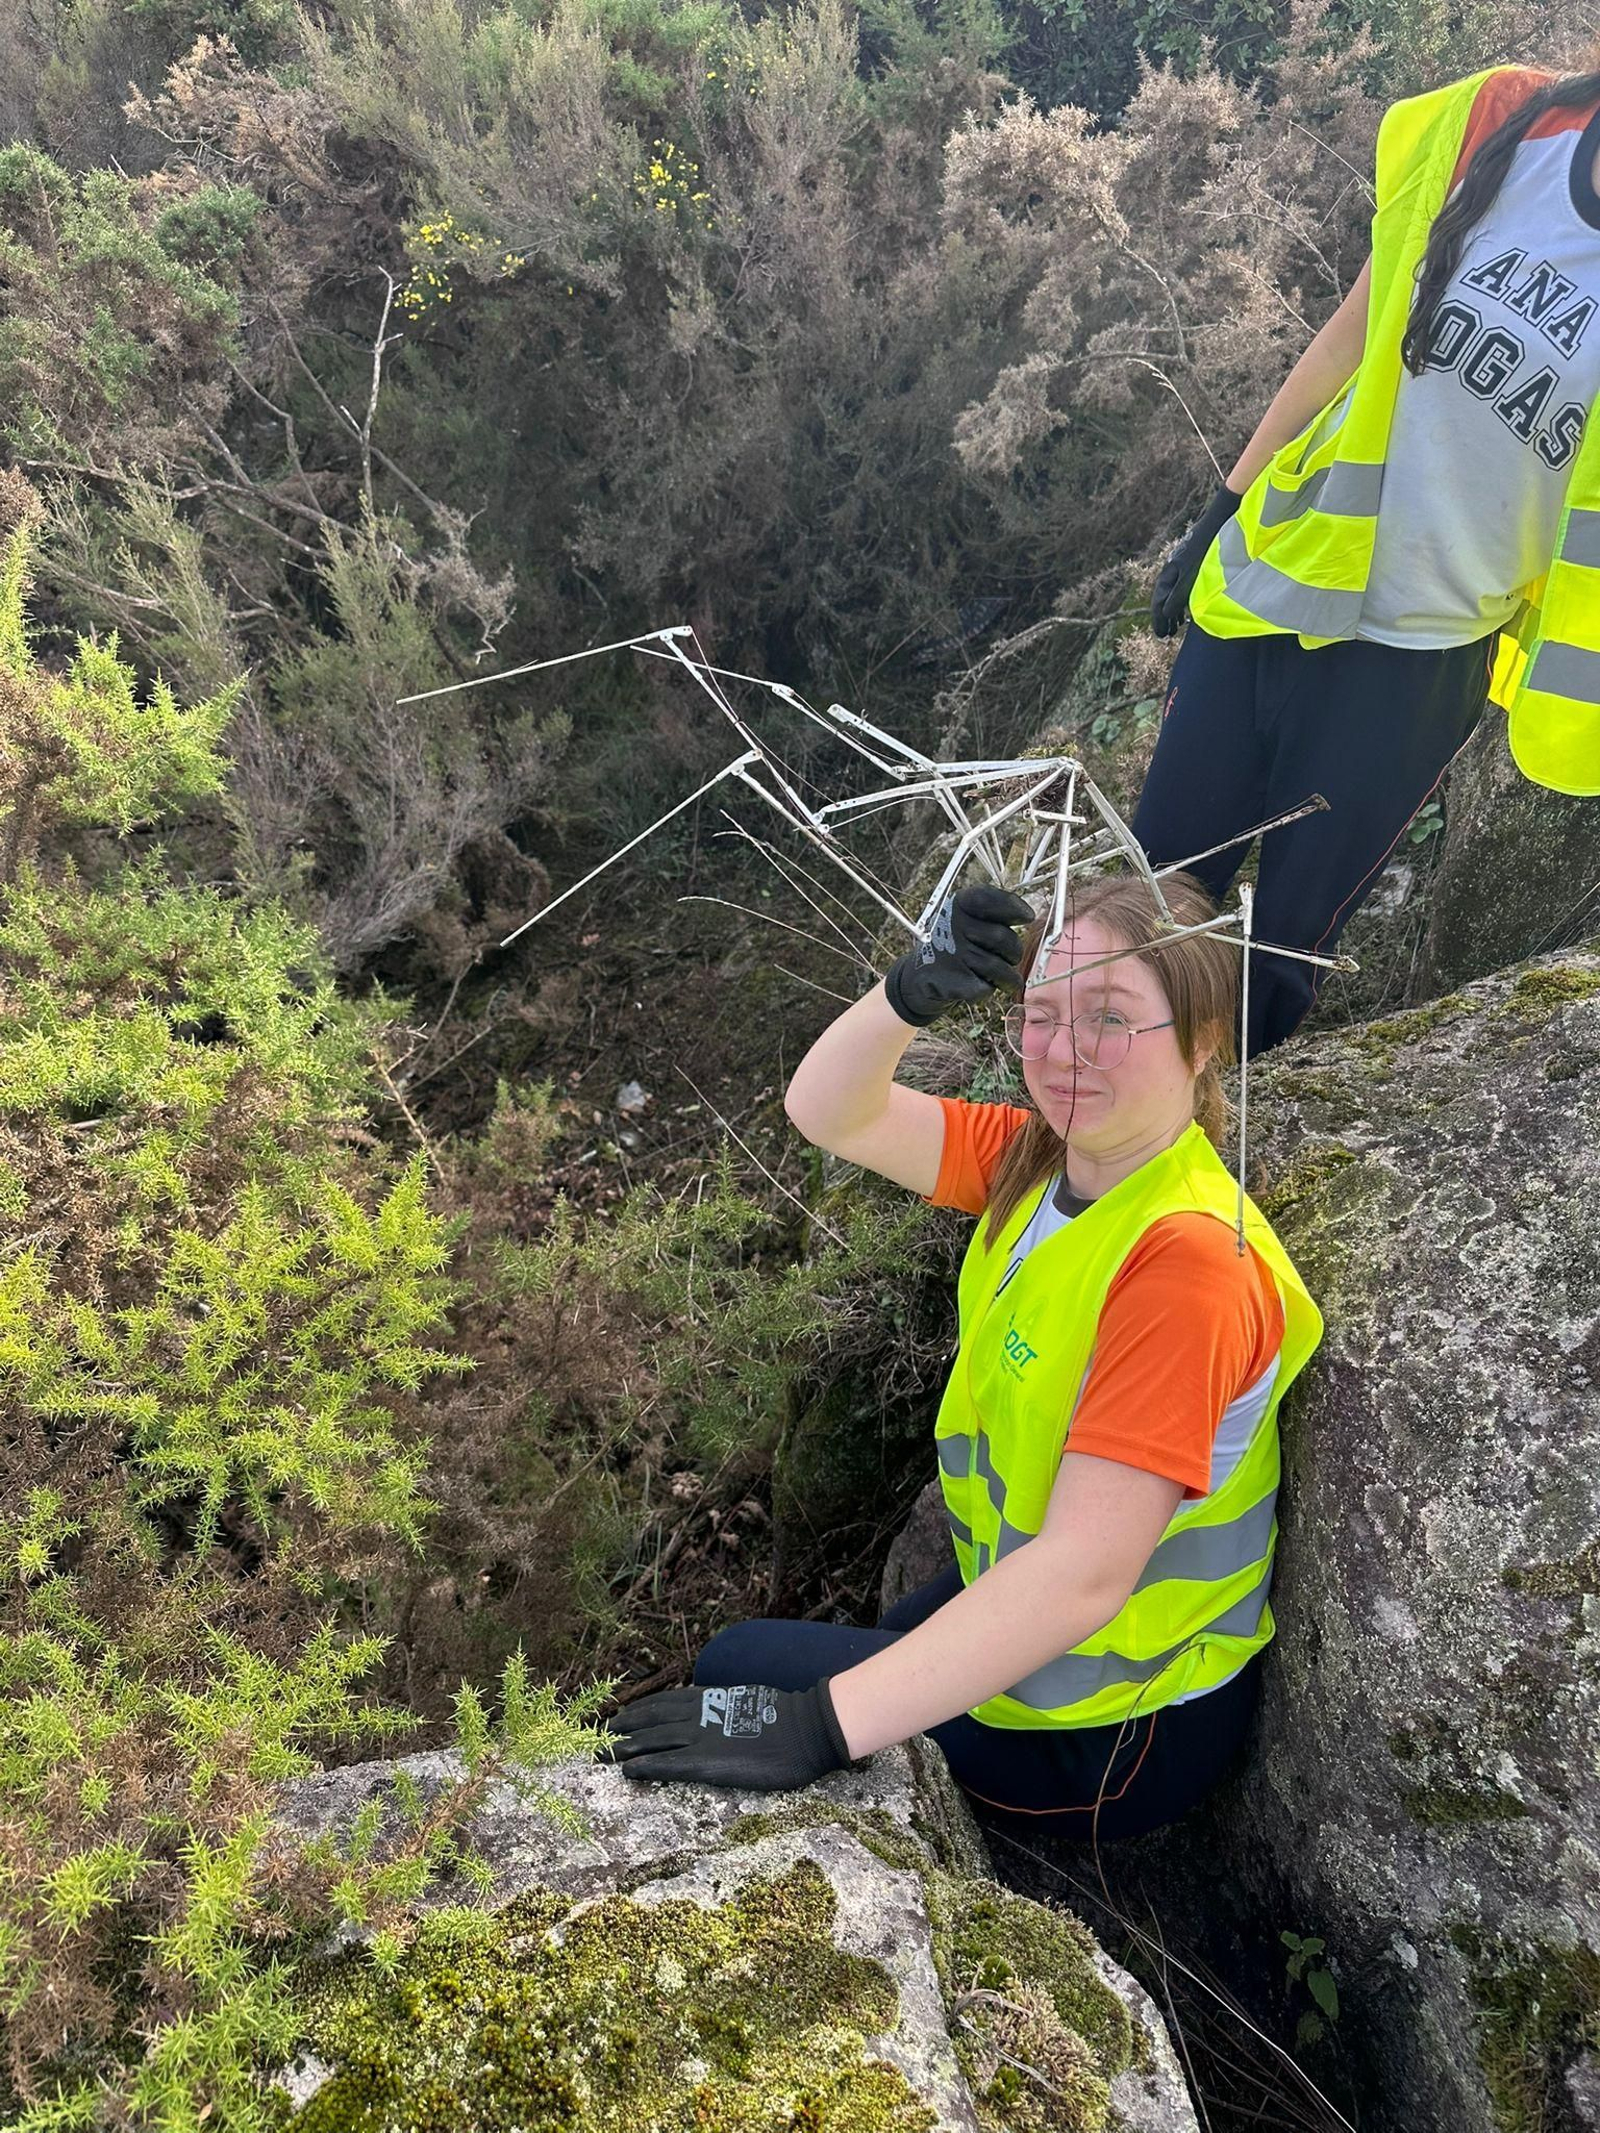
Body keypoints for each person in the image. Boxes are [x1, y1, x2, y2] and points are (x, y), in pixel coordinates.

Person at [605, 877, 1323, 1841]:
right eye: (1041, 1012)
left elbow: (1082, 1574)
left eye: (1110, 1017)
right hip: (1033, 1612)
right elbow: (831, 1113)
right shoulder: (1042, 1159)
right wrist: (907, 991)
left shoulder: (1187, 1264)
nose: (1064, 1053)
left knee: (743, 1666)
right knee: (819, 1653)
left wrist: (818, 1728)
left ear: (1200, 1043)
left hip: (1118, 1720)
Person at [1135, 55, 1600, 1056]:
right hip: (1279, 578)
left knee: (1281, 950)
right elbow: (1351, 332)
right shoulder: (1503, 123)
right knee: (1155, 900)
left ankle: (1194, 1154)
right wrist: (1220, 506)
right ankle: (1080, 1140)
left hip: (1420, 657)